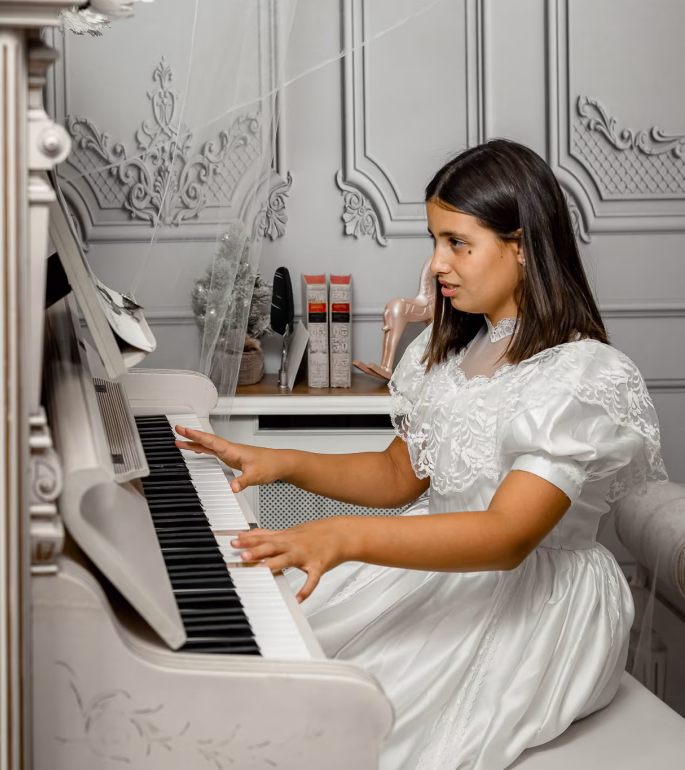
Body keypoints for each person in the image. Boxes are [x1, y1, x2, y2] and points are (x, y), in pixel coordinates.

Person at [174, 138, 668, 770]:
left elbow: (506, 537)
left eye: (458, 243)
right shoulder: (451, 351)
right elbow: (397, 473)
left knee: (353, 720)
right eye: (434, 241)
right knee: (278, 665)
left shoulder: (582, 375)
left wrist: (343, 538)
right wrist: (276, 460)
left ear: (522, 246)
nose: (436, 264)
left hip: (533, 598)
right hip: (438, 562)